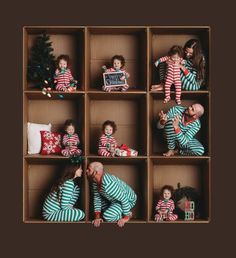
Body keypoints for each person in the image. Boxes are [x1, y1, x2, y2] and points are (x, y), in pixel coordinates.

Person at [86, 162, 137, 227]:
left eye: (89, 169)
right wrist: (97, 217)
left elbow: (124, 199)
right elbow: (97, 198)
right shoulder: (95, 182)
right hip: (114, 200)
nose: (86, 171)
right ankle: (120, 211)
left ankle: (128, 213)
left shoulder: (108, 185)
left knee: (107, 216)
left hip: (128, 200)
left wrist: (125, 217)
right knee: (102, 210)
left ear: (96, 172)